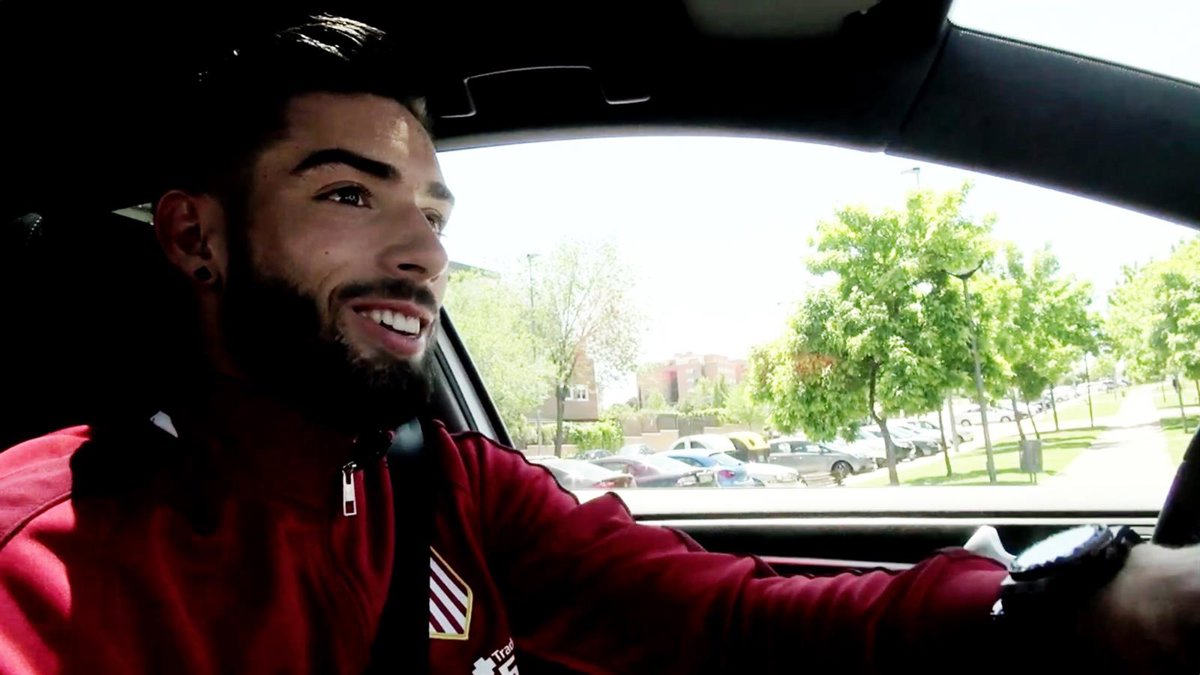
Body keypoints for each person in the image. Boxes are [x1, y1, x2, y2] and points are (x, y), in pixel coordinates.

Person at [0, 14, 1197, 675]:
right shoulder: (48, 560)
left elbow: (718, 619)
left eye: (434, 215)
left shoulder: (450, 486)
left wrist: (1041, 611)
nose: (421, 253)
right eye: (350, 196)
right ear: (195, 237)